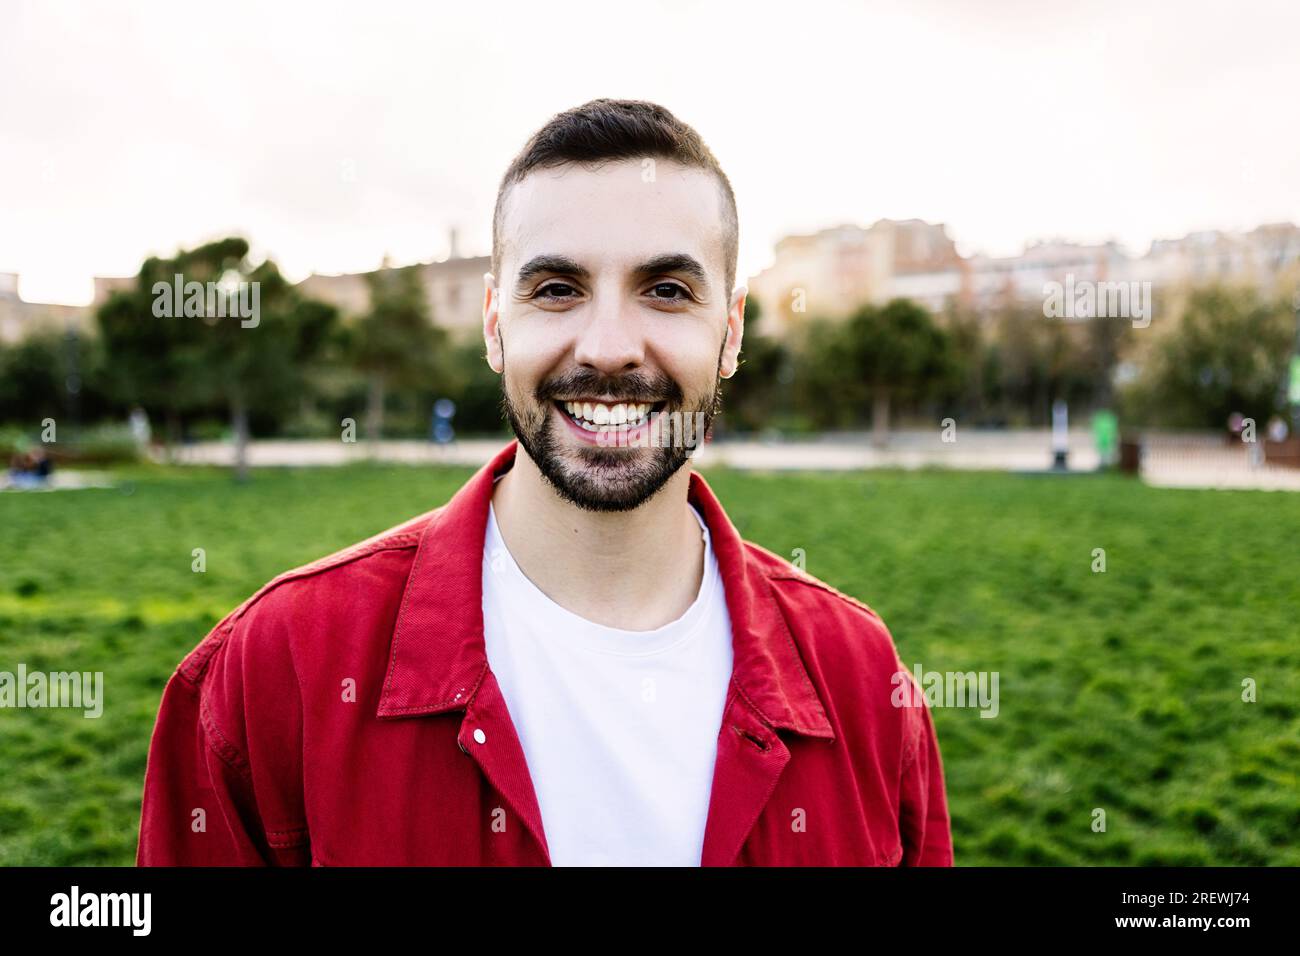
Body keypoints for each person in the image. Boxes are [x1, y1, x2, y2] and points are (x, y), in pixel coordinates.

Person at [137, 99, 953, 867]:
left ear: (731, 332)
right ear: (496, 325)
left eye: (666, 291)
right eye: (557, 289)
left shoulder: (863, 684)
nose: (606, 347)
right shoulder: (272, 673)